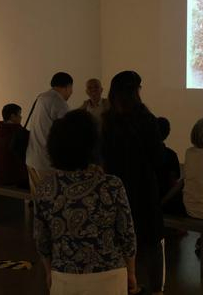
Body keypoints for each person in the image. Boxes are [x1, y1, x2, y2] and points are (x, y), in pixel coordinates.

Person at [34, 110, 137, 295]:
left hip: (64, 276)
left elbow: (42, 239)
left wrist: (49, 271)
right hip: (110, 276)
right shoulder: (111, 185)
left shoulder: (46, 189)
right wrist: (131, 272)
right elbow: (127, 234)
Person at [101, 71, 165, 295]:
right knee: (152, 241)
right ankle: (156, 290)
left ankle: (130, 286)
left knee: (122, 237)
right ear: (135, 91)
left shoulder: (108, 121)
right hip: (144, 189)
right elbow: (158, 158)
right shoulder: (146, 120)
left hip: (116, 189)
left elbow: (104, 157)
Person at [26, 72, 73, 195]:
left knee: (37, 199)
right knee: (52, 199)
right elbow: (66, 133)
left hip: (31, 158)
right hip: (47, 162)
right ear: (68, 86)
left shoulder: (41, 97)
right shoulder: (59, 103)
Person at [0, 103, 28, 188]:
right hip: (14, 177)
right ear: (13, 116)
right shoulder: (18, 131)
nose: (21, 117)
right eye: (19, 114)